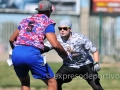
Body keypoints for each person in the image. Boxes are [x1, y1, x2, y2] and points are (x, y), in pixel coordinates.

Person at [9, 1, 70, 90]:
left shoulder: (26, 20)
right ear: (50, 11)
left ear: (38, 10)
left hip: (16, 53)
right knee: (52, 82)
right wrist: (65, 55)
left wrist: (17, 51)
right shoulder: (47, 22)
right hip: (31, 53)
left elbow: (11, 39)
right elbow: (55, 44)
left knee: (25, 82)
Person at [44, 20, 104, 90]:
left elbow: (94, 51)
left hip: (85, 64)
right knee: (55, 82)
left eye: (65, 28)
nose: (62, 30)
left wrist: (96, 63)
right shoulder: (56, 40)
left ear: (70, 29)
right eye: (60, 28)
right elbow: (45, 47)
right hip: (69, 65)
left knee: (96, 86)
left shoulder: (80, 38)